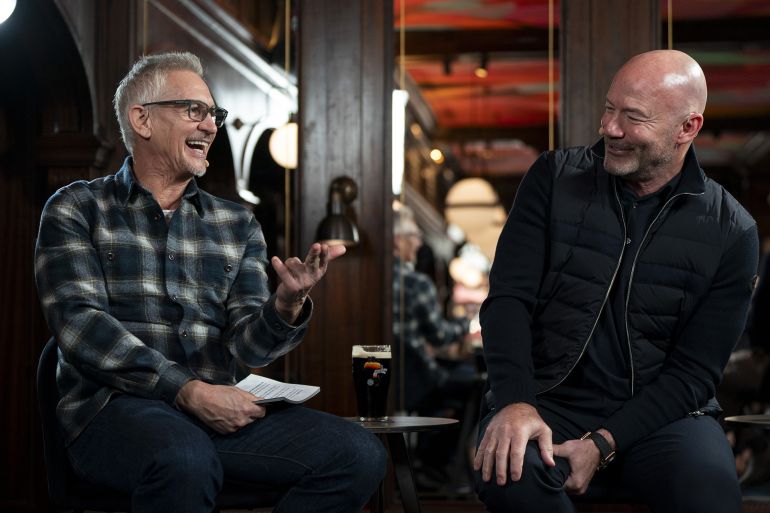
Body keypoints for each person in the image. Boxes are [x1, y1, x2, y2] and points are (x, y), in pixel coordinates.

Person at [34, 52, 386, 513]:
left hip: (218, 414)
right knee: (184, 458)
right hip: (112, 413)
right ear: (141, 119)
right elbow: (81, 327)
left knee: (359, 454)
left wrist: (283, 307)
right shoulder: (77, 208)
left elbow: (249, 349)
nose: (211, 125)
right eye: (193, 110)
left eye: (214, 114)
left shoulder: (236, 223)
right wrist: (187, 390)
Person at [473, 49, 759, 513]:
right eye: (609, 108)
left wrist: (602, 444)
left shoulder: (733, 230)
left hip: (665, 416)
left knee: (709, 490)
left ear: (688, 128)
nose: (610, 127)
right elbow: (508, 301)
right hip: (545, 397)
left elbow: (694, 372)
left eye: (633, 117)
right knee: (510, 472)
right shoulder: (552, 178)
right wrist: (515, 403)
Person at [392, 205, 478, 484]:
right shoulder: (415, 283)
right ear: (398, 240)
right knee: (480, 385)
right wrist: (468, 324)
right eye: (415, 235)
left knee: (462, 380)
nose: (419, 242)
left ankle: (429, 460)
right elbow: (440, 336)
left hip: (387, 380)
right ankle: (443, 467)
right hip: (418, 380)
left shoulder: (371, 281)